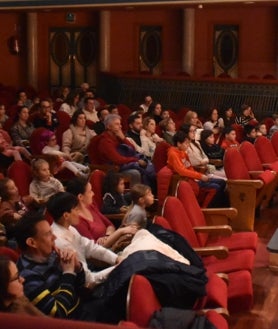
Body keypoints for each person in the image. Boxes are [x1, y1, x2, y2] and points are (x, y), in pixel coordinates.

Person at [14, 211, 102, 320]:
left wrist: (77, 266)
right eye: (48, 234)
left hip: (84, 307)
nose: (54, 237)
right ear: (32, 243)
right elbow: (57, 314)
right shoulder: (27, 275)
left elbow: (80, 285)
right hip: (75, 321)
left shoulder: (52, 255)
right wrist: (68, 273)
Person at [47, 192, 120, 287]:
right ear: (66, 215)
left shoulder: (70, 228)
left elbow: (90, 247)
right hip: (85, 290)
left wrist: (116, 259)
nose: (79, 213)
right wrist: (117, 268)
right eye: (76, 210)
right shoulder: (60, 242)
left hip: (91, 276)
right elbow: (87, 280)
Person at [66, 177, 138, 250]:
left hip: (113, 245)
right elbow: (94, 250)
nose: (93, 194)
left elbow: (110, 225)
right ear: (80, 197)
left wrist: (107, 236)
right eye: (90, 191)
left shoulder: (90, 207)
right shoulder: (76, 220)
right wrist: (120, 231)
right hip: (105, 255)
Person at [167, 130, 226, 207]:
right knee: (216, 187)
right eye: (186, 143)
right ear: (178, 143)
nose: (188, 145)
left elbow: (189, 167)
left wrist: (199, 176)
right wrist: (200, 176)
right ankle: (205, 209)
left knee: (222, 182)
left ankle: (218, 208)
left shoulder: (183, 152)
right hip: (186, 180)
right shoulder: (173, 154)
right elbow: (182, 171)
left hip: (193, 178)